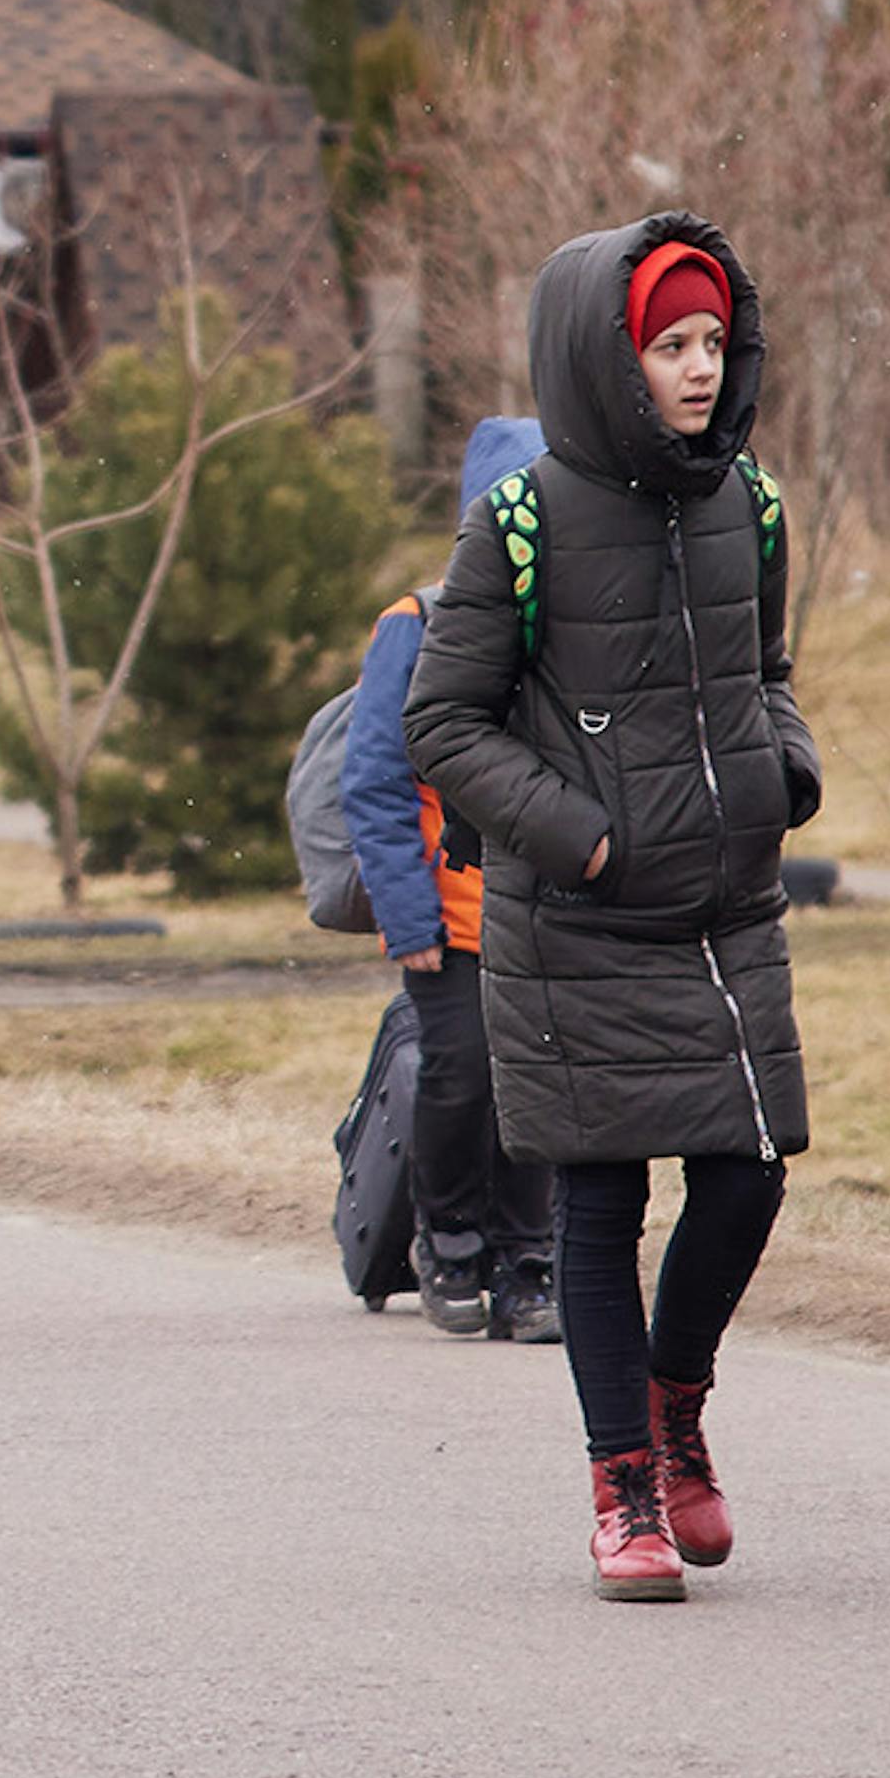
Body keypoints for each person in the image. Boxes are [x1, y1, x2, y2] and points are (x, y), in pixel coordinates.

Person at [407, 217, 821, 1598]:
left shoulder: (748, 505)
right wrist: (583, 839)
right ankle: (624, 1487)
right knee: (597, 1198)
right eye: (668, 346)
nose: (699, 369)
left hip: (726, 907)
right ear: (609, 357)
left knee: (750, 1170)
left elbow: (764, 672)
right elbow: (444, 722)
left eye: (712, 341)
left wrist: (787, 769)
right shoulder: (519, 523)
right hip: (576, 919)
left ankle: (677, 1404)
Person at [341, 414, 548, 1345]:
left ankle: (529, 1261)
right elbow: (376, 781)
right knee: (463, 1078)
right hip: (448, 913)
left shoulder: (570, 624)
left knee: (540, 1090)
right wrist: (408, 916)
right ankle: (452, 1243)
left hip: (545, 912)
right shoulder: (414, 625)